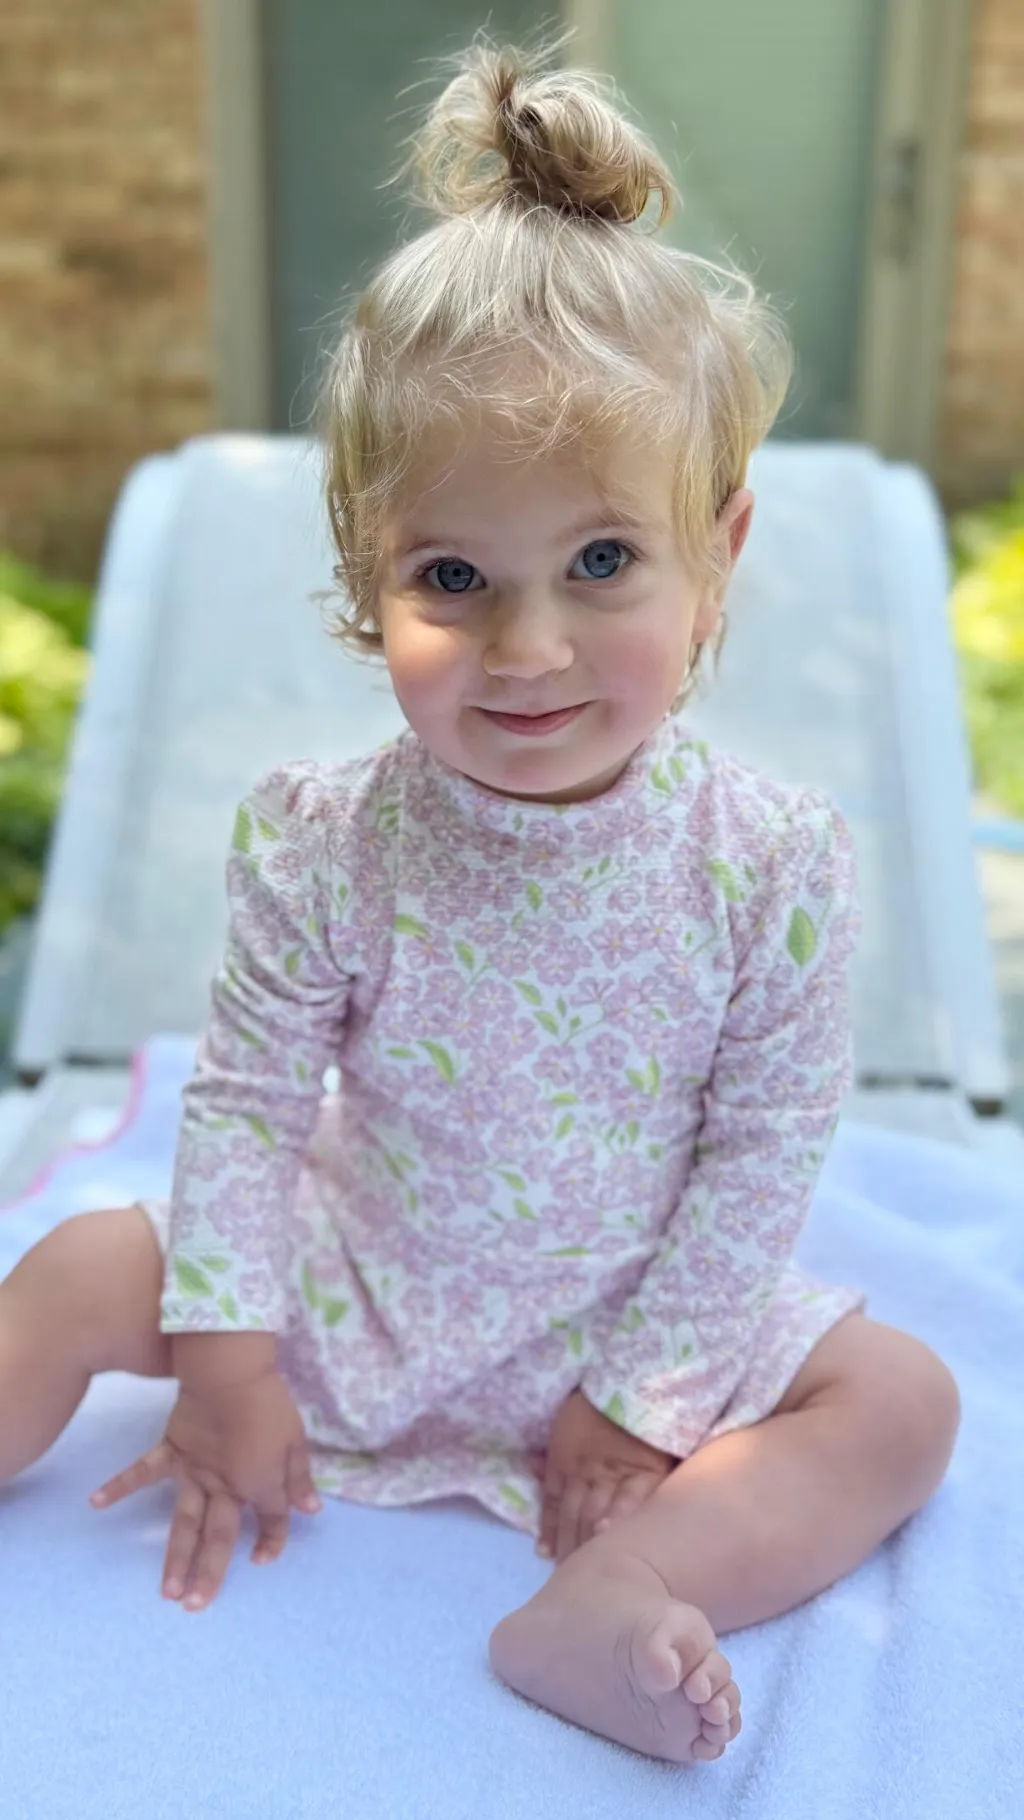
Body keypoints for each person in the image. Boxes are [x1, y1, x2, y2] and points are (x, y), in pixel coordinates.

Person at [0, 40, 960, 1767]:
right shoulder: (323, 838)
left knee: (902, 1404)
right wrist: (227, 1361)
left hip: (633, 1312)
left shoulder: (774, 865)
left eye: (602, 562)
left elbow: (760, 1157)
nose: (527, 648)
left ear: (719, 552)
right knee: (76, 1266)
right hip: (364, 1281)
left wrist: (644, 1401)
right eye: (453, 575)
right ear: (367, 581)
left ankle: (622, 1590)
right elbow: (248, 1101)